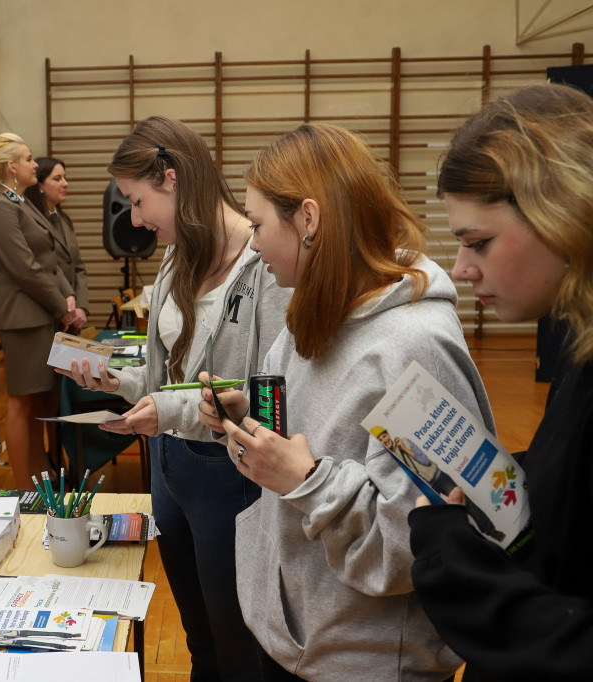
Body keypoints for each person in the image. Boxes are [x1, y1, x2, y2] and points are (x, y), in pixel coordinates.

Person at [201, 122, 494, 681]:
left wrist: (306, 480)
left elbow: (418, 544)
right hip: (300, 640)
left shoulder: (413, 348)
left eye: (259, 225)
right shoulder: (309, 312)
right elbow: (309, 438)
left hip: (366, 662)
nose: (253, 243)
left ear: (308, 220)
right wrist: (247, 422)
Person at [61, 116, 291, 681]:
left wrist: (168, 408)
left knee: (238, 644)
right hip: (169, 469)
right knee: (200, 638)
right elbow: (165, 372)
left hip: (229, 474)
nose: (136, 220)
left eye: (138, 202)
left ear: (171, 179)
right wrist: (116, 380)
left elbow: (260, 392)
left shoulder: (264, 266)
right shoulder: (176, 256)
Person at [408, 83, 593, 680]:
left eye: (478, 242)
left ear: (562, 209)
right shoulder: (576, 340)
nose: (461, 269)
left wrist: (448, 553)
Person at [0, 134, 76, 488]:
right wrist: (61, 305)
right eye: (29, 159)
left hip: (44, 316)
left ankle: (40, 476)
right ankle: (24, 487)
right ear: (12, 167)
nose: (35, 164)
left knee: (40, 405)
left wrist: (68, 297)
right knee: (20, 406)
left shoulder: (22, 203)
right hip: (26, 321)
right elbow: (26, 268)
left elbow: (50, 259)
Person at [23, 157, 88, 333]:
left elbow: (79, 268)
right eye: (57, 178)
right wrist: (65, 306)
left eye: (65, 178)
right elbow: (40, 268)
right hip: (49, 314)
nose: (65, 184)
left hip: (72, 318)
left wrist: (80, 306)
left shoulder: (65, 220)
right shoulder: (31, 223)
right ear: (40, 186)